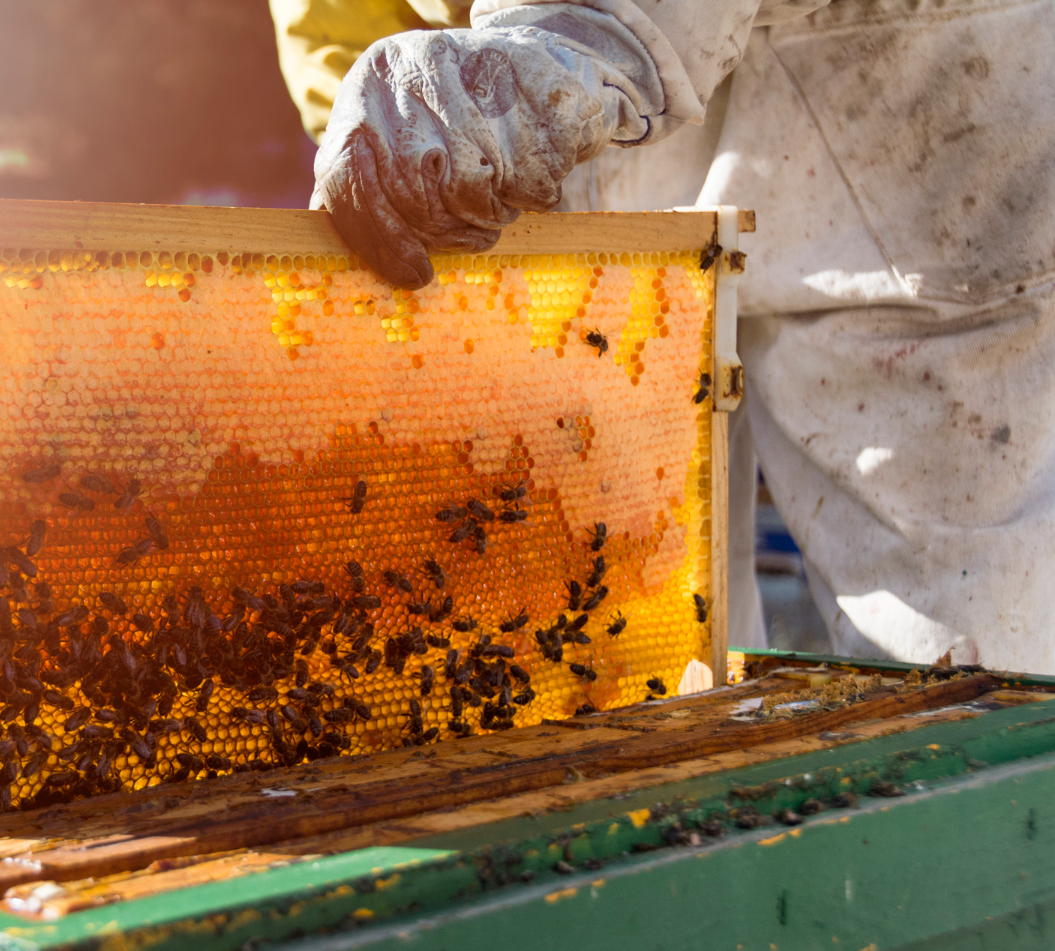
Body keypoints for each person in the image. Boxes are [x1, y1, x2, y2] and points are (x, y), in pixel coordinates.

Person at [271, 0, 1055, 673]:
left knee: (977, 654)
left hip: (893, 76)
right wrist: (384, 119)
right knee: (633, 637)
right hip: (558, 115)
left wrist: (566, 30)